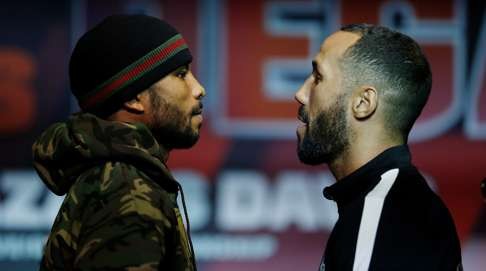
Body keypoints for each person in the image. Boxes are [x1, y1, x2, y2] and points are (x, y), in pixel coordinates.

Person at [32, 14, 204, 270]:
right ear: (134, 97)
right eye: (180, 75)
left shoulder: (118, 177)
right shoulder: (124, 186)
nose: (198, 88)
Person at [294, 24, 462, 271]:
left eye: (318, 77)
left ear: (363, 103)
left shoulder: (383, 217)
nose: (301, 94)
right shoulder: (394, 205)